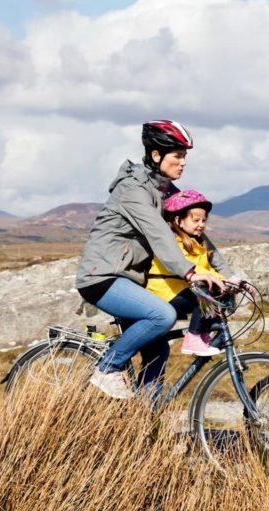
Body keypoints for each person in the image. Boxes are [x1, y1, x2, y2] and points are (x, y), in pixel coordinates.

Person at [75, 120, 225, 401]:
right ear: (156, 155)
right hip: (102, 277)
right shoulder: (133, 190)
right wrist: (190, 273)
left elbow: (195, 235)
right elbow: (160, 236)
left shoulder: (166, 192)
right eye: (177, 156)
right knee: (162, 316)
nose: (183, 163)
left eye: (184, 157)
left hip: (130, 279)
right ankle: (107, 369)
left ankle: (142, 420)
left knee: (158, 350)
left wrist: (227, 274)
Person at [147, 188, 242, 357]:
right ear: (179, 221)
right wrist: (220, 280)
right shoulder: (174, 242)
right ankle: (193, 337)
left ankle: (203, 333)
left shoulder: (197, 244)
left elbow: (208, 269)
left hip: (181, 289)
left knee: (219, 296)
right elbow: (193, 268)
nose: (201, 225)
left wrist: (232, 280)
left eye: (204, 220)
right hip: (165, 292)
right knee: (205, 296)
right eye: (196, 220)